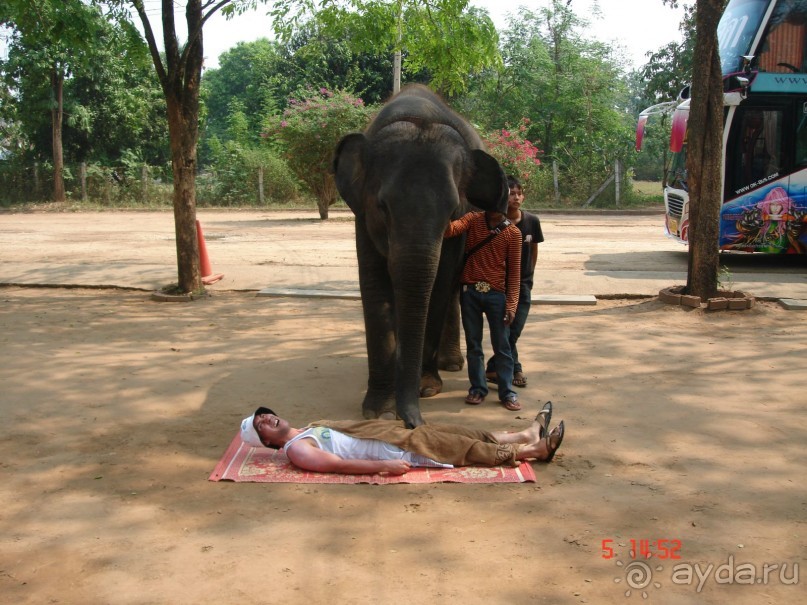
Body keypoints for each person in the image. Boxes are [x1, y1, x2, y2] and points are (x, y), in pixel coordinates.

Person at [239, 402, 564, 476]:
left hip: (397, 435)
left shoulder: (310, 427)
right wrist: (383, 467)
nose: (266, 417)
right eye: (261, 424)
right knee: (461, 448)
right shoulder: (297, 449)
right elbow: (335, 464)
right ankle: (534, 449)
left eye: (264, 414)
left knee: (456, 432)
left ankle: (524, 433)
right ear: (267, 442)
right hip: (396, 448)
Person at [444, 202, 523, 411]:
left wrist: (512, 304)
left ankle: (507, 392)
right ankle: (478, 389)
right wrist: (442, 207)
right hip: (470, 292)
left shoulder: (513, 233)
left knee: (502, 346)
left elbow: (514, 274)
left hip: (497, 295)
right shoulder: (472, 219)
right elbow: (449, 231)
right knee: (473, 344)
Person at [485, 175, 545, 388]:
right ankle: (514, 368)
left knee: (514, 328)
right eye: (511, 194)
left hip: (523, 283)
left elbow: (534, 249)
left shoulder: (532, 221)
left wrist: (530, 274)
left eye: (519, 194)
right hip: (501, 284)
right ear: (504, 197)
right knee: (507, 328)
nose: (516, 198)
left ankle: (494, 365)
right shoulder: (496, 222)